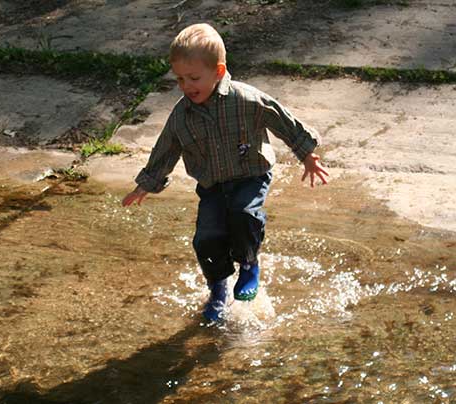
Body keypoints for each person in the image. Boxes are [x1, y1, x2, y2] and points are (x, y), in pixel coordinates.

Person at [122, 23, 329, 322]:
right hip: (212, 185)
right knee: (205, 238)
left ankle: (248, 265)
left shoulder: (245, 100)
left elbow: (281, 119)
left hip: (251, 176)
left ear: (218, 71)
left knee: (243, 214)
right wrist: (146, 184)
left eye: (193, 78)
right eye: (179, 79)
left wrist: (307, 154)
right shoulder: (182, 115)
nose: (186, 86)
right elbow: (166, 149)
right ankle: (218, 289)